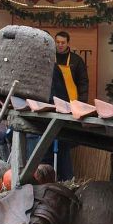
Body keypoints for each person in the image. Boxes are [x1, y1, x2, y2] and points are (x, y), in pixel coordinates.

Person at [49, 31, 88, 181]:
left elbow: (83, 84)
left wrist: (82, 105)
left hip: (72, 106)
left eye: (63, 43)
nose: (60, 45)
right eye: (57, 42)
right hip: (53, 105)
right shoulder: (50, 58)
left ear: (68, 43)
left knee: (65, 140)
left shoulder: (77, 61)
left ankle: (66, 176)